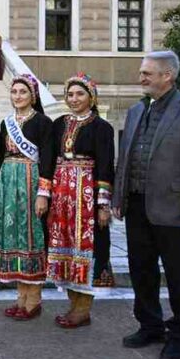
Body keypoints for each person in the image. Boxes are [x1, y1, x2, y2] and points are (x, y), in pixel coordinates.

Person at [112, 51, 180, 359]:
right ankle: (150, 325)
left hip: (175, 208)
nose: (141, 77)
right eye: (142, 72)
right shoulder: (136, 110)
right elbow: (125, 158)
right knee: (141, 270)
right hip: (137, 205)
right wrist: (118, 198)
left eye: (147, 73)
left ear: (167, 75)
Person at [46, 73, 115, 329]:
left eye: (80, 94)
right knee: (64, 249)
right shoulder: (59, 124)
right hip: (61, 198)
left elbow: (106, 167)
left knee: (87, 250)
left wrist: (103, 205)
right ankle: (73, 305)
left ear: (91, 97)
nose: (74, 99)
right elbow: (49, 160)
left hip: (87, 199)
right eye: (70, 94)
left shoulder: (102, 127)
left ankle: (83, 309)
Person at [0, 74, 54, 321]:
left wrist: (43, 194)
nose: (17, 96)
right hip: (8, 182)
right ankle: (20, 297)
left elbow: (47, 159)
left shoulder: (43, 123)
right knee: (12, 238)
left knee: (30, 238)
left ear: (33, 96)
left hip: (30, 181)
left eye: (23, 92)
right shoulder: (6, 123)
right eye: (14, 91)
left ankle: (33, 299)